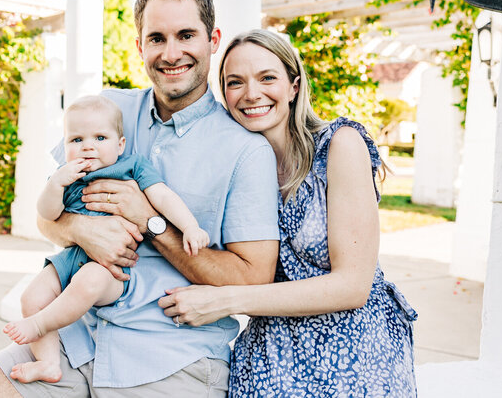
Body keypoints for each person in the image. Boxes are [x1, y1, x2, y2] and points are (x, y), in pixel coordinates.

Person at [0, 0, 280, 398]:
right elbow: (48, 216)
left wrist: (151, 222)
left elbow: (254, 279)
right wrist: (80, 230)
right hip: (74, 336)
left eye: (186, 35)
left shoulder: (246, 150)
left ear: (212, 40)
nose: (171, 52)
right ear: (139, 47)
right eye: (156, 38)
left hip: (173, 357)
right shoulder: (106, 111)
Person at [159, 29, 418, 397]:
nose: (251, 94)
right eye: (235, 83)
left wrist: (224, 301)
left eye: (267, 78)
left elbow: (353, 286)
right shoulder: (236, 166)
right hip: (269, 354)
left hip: (354, 349)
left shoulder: (339, 145)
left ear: (294, 86)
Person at [3, 94, 210, 384]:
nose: (87, 146)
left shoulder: (132, 166)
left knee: (88, 282)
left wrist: (189, 226)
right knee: (31, 297)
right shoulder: (67, 176)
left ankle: (39, 324)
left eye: (100, 137)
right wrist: (56, 183)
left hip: (110, 267)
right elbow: (47, 214)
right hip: (72, 256)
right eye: (76, 140)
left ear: (120, 144)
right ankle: (48, 362)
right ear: (65, 146)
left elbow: (162, 196)